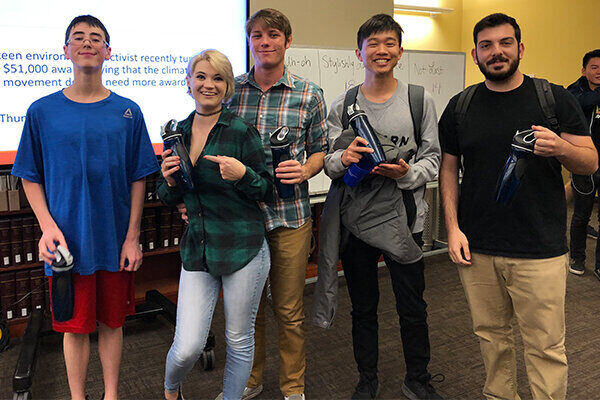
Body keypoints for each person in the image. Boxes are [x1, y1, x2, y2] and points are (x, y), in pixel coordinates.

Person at [438, 13, 597, 400]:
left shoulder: (553, 98)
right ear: (475, 54)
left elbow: (590, 161)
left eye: (505, 43)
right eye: (487, 46)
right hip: (479, 248)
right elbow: (449, 168)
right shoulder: (461, 106)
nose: (497, 52)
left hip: (540, 249)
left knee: (545, 347)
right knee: (491, 340)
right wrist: (453, 228)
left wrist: (560, 147)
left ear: (520, 49)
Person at [11, 15, 159, 400]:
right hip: (65, 247)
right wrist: (46, 227)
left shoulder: (128, 111)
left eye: (96, 38)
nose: (87, 43)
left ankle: (111, 394)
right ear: (66, 51)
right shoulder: (41, 111)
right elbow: (29, 174)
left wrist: (132, 239)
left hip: (113, 242)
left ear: (108, 52)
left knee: (112, 323)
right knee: (73, 328)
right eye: (78, 37)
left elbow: (139, 177)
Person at [311, 14, 442, 400]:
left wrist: (404, 173)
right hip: (356, 221)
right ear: (359, 52)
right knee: (364, 306)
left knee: (412, 306)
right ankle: (367, 378)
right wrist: (347, 158)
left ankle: (417, 378)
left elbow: (432, 159)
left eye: (389, 43)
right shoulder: (344, 104)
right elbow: (328, 163)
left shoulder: (419, 100)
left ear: (400, 51)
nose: (381, 50)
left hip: (407, 218)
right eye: (373, 44)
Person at [158, 49, 273, 400]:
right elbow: (166, 195)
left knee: (238, 339)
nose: (209, 84)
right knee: (187, 346)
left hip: (243, 247)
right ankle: (171, 389)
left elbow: (267, 188)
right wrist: (169, 182)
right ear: (189, 82)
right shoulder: (175, 132)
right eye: (202, 77)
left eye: (218, 78)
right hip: (199, 248)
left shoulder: (241, 131)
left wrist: (243, 175)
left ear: (227, 87)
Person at [224, 8, 327, 400]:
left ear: (287, 40)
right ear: (249, 42)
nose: (265, 42)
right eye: (257, 36)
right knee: (245, 310)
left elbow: (321, 151)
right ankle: (250, 381)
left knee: (288, 309)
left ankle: (293, 388)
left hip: (290, 217)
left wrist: (305, 171)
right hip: (243, 218)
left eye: (273, 35)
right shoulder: (231, 91)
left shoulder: (309, 93)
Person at [567, 49, 600, 276]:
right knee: (581, 215)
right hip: (583, 163)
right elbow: (582, 104)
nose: (599, 72)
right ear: (584, 70)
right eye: (594, 67)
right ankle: (577, 258)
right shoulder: (573, 92)